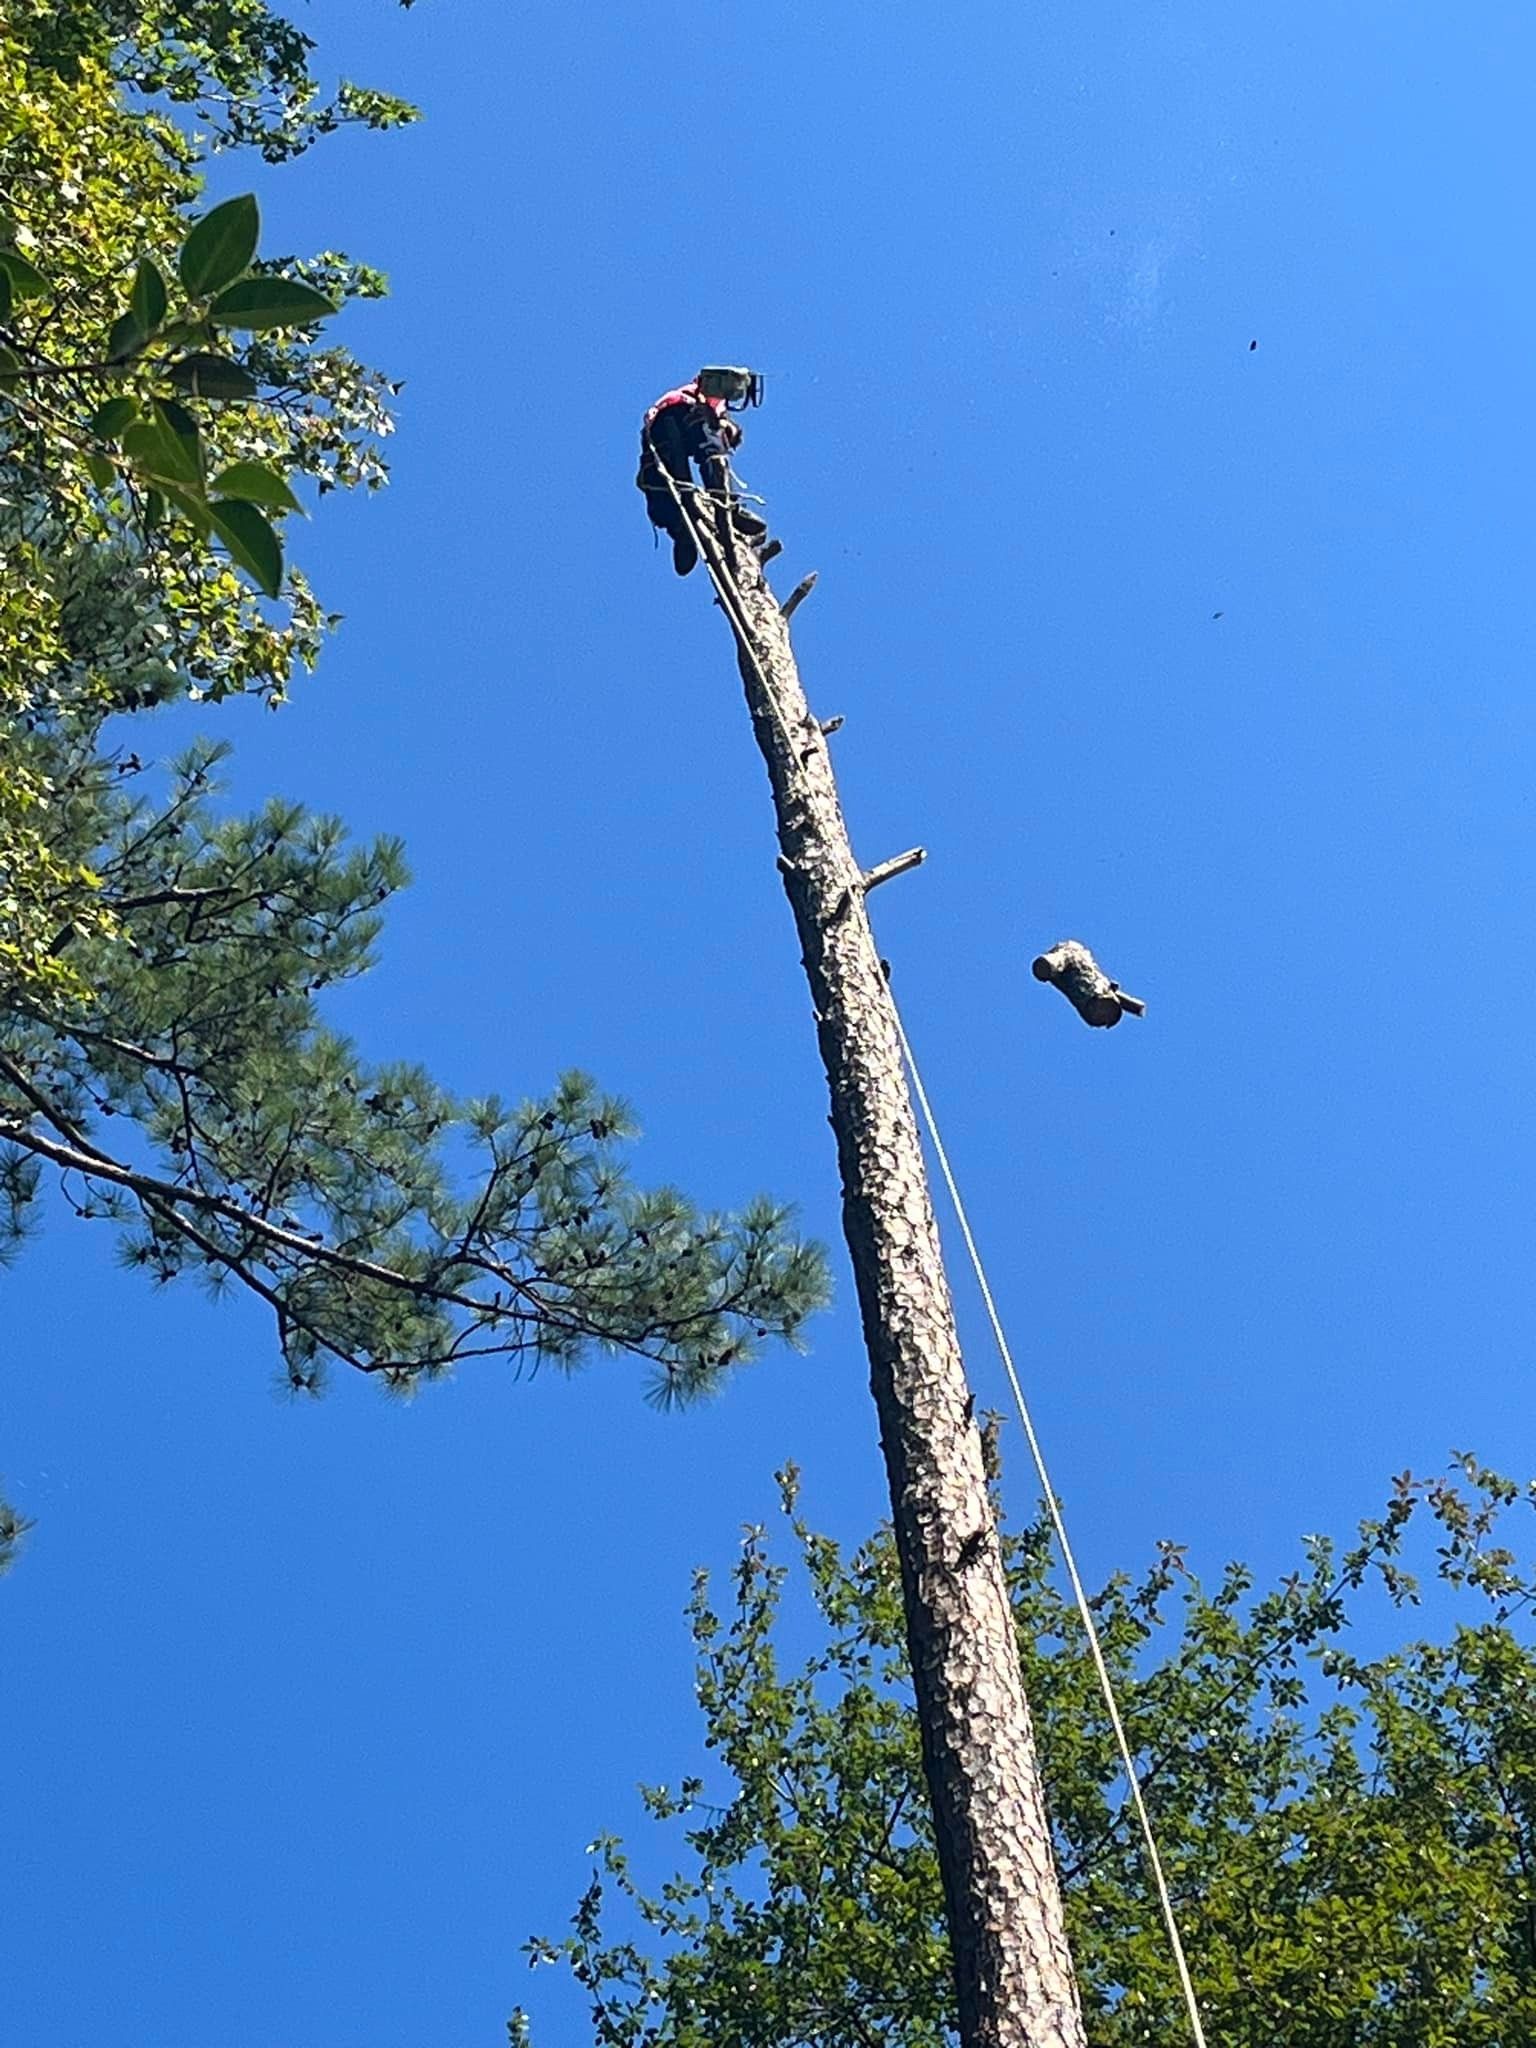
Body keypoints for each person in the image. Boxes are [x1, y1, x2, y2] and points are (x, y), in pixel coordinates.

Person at [637, 375, 767, 576]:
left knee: (662, 475)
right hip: (681, 412)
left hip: (658, 427)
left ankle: (681, 528)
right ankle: (725, 507)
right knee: (712, 453)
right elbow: (708, 384)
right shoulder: (712, 406)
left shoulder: (705, 406)